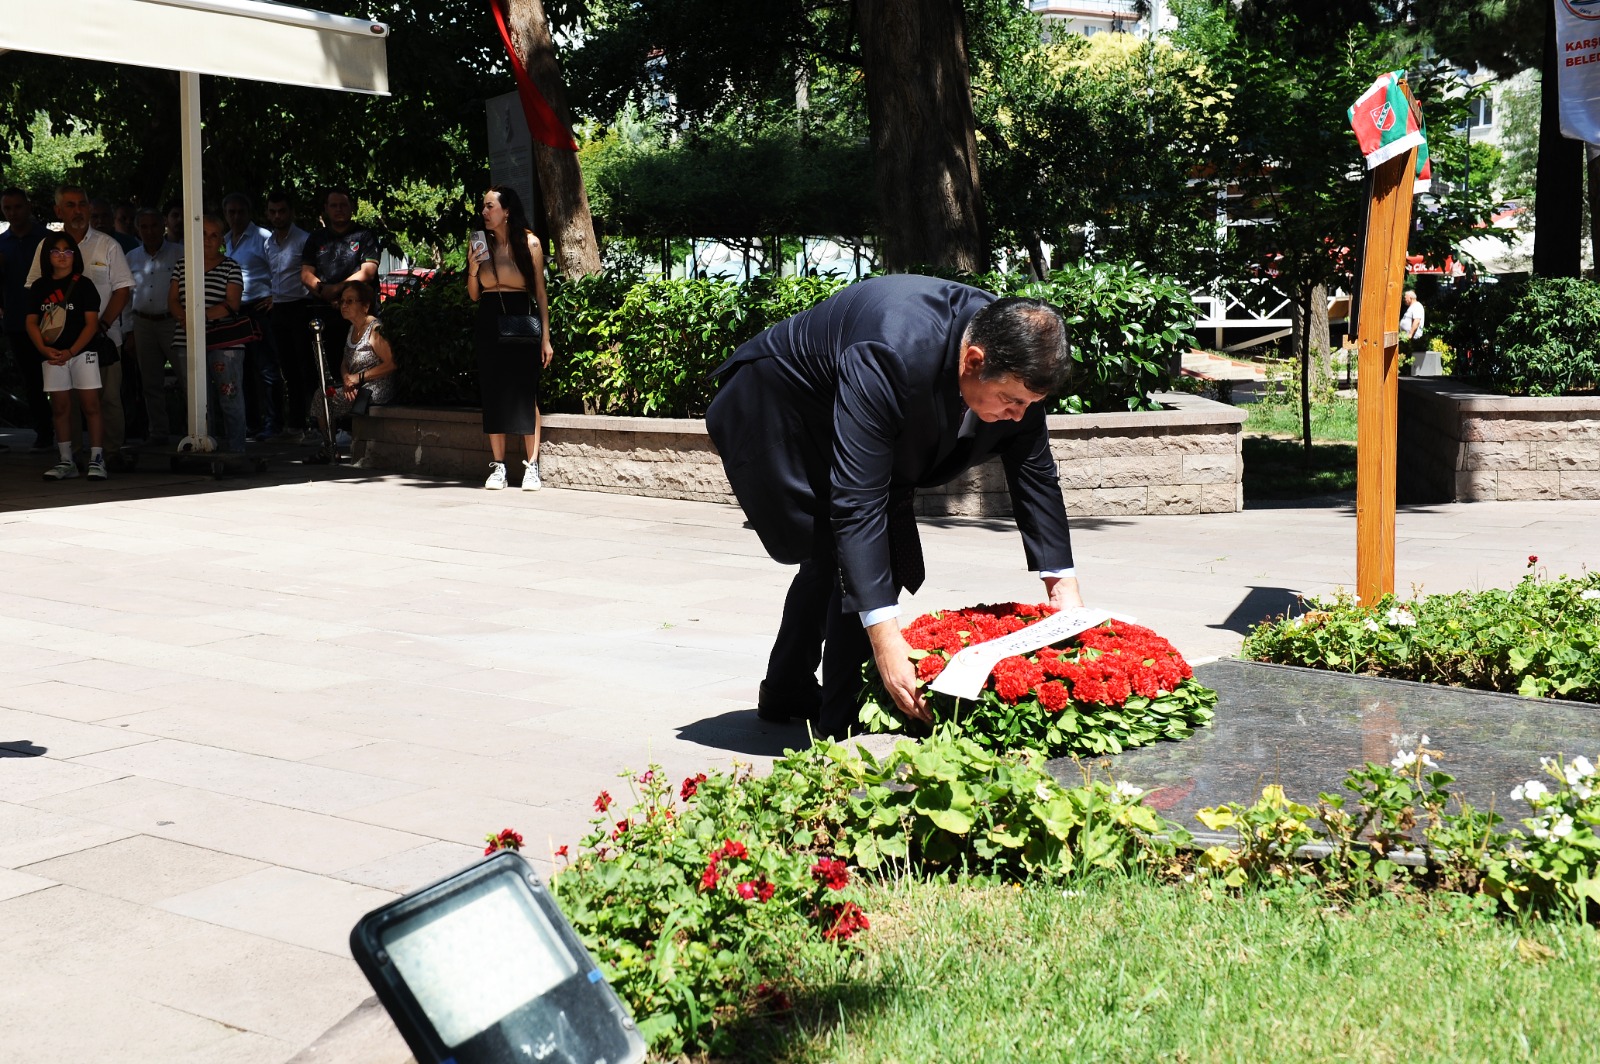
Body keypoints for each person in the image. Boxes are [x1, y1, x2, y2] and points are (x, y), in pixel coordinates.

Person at [704, 274, 1084, 738]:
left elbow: (1035, 473)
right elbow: (858, 502)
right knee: (852, 554)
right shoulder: (890, 350)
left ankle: (787, 688)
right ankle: (842, 731)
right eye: (1011, 401)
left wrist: (1063, 588)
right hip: (783, 409)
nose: (1019, 416)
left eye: (1031, 403)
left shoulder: (1014, 351)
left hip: (847, 401)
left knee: (833, 559)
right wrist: (888, 642)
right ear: (973, 360)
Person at [26, 185, 134, 457]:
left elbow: (123, 289)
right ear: (58, 210)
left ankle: (110, 455)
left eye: (82, 204)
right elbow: (35, 290)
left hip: (104, 339)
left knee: (107, 399)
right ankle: (70, 456)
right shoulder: (46, 247)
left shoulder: (108, 244)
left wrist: (102, 326)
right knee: (66, 402)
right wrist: (45, 338)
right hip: (60, 343)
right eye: (70, 205)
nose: (78, 211)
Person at [465, 186, 553, 491]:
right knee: (493, 391)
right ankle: (498, 466)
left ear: (507, 211)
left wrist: (546, 338)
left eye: (490, 206)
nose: (484, 212)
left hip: (521, 318)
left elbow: (540, 293)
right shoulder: (480, 243)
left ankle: (532, 465)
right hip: (489, 318)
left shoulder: (530, 243)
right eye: (484, 206)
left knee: (526, 391)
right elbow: (474, 295)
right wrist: (473, 268)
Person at [26, 233, 108, 481]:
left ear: (75, 255)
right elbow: (31, 322)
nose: (62, 256)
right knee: (60, 407)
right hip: (51, 355)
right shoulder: (39, 287)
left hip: (83, 353)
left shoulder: (84, 285)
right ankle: (66, 460)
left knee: (91, 405)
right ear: (47, 256)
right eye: (56, 251)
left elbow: (91, 324)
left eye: (67, 251)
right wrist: (44, 350)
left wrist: (72, 351)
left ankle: (97, 459)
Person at [168, 214, 248, 453]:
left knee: (229, 396)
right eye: (202, 233)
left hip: (224, 342)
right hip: (186, 339)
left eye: (214, 235)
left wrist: (198, 317)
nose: (207, 239)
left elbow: (232, 304)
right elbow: (172, 300)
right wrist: (184, 318)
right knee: (196, 399)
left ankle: (236, 450)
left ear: (221, 239)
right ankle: (203, 448)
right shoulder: (182, 265)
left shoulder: (231, 266)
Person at [222, 192, 281, 440]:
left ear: (249, 213)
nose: (236, 217)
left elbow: (280, 268)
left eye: (240, 212)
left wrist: (276, 296)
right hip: (235, 311)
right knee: (242, 370)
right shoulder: (225, 240)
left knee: (267, 368)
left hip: (260, 309)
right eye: (231, 212)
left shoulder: (263, 237)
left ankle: (274, 423)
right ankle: (252, 423)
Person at [308, 281, 396, 443]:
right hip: (355, 386)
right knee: (322, 394)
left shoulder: (375, 329)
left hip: (375, 388)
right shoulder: (352, 328)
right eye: (342, 301)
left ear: (365, 306)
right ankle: (330, 446)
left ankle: (335, 444)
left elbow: (391, 363)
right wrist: (347, 378)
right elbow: (345, 362)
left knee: (325, 398)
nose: (344, 305)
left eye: (350, 301)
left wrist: (358, 378)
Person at [126, 207, 184, 443]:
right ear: (137, 229)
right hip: (142, 323)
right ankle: (158, 432)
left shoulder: (180, 253)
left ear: (163, 226)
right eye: (144, 227)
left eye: (154, 226)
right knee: (150, 383)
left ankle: (196, 429)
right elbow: (125, 297)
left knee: (187, 377)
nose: (149, 231)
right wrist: (128, 330)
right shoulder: (131, 257)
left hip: (173, 322)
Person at [1, 186, 51, 450]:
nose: (13, 213)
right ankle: (44, 433)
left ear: (28, 206)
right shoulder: (1, 243)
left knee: (61, 378)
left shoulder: (47, 239)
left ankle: (72, 434)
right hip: (17, 321)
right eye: (7, 208)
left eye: (17, 206)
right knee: (32, 381)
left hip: (51, 321)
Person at [300, 187, 380, 350]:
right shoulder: (316, 238)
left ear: (352, 207)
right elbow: (306, 275)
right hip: (326, 316)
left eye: (343, 205)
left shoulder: (365, 235)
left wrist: (337, 290)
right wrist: (325, 293)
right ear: (326, 209)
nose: (339, 209)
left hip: (360, 316)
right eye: (334, 205)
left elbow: (368, 272)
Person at [263, 191, 313, 437]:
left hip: (301, 306)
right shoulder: (268, 243)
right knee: (287, 368)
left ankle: (314, 421)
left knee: (306, 366)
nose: (277, 216)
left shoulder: (304, 239)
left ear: (291, 212)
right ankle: (295, 422)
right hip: (279, 308)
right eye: (273, 212)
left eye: (282, 211)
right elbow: (273, 274)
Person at [1399, 289, 1425, 373]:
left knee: (1408, 360)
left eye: (1405, 298)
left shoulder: (1417, 306)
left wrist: (1410, 334)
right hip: (1407, 337)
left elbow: (1416, 321)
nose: (1404, 299)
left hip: (1412, 338)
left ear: (1410, 298)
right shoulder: (1412, 307)